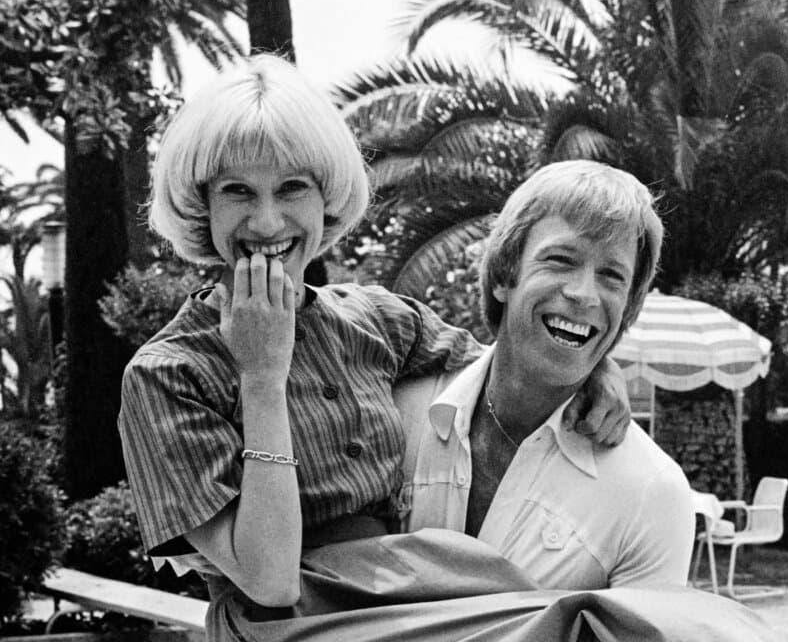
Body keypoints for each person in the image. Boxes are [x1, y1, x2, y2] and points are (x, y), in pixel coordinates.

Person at [117, 55, 654, 641]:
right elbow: (270, 581)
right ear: (203, 205)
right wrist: (262, 377)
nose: (267, 221)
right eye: (238, 191)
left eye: (292, 187)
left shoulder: (375, 320)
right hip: (292, 627)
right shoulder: (167, 375)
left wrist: (594, 370)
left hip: (408, 596)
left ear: (325, 197)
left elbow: (509, 361)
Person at [395, 160, 694, 589]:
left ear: (627, 307)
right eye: (560, 260)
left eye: (611, 275)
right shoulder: (398, 408)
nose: (583, 294)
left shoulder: (652, 493)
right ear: (503, 276)